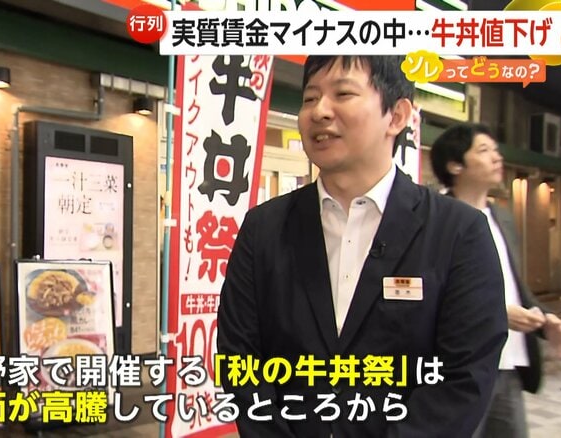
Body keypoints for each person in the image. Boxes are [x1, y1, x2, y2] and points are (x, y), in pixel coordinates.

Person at [216, 55, 508, 437]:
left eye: (343, 94)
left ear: (397, 116)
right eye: (310, 98)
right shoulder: (264, 228)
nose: (319, 111)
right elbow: (239, 357)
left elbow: (465, 376)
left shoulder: (459, 232)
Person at [430, 123, 561, 438]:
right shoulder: (433, 219)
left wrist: (545, 320)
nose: (497, 157)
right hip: (457, 369)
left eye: (496, 150)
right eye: (484, 151)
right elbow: (427, 294)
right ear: (455, 165)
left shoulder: (502, 218)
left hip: (508, 366)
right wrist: (496, 314)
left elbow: (515, 287)